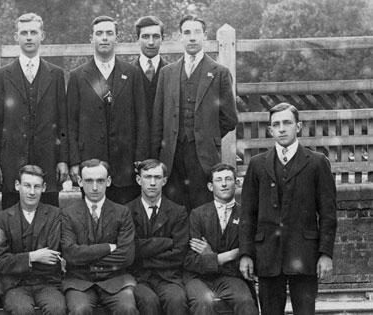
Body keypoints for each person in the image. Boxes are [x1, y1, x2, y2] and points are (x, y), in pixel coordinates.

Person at [239, 103, 337, 315]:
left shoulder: (317, 163)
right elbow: (248, 214)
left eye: (287, 123)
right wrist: (246, 253)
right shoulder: (257, 164)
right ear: (270, 130)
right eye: (276, 124)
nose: (281, 128)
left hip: (305, 253)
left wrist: (325, 254)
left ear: (298, 126)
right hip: (268, 255)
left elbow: (328, 214)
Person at [152, 14, 238, 211]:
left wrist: (206, 135)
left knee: (203, 207)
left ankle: (201, 243)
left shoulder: (219, 72)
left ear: (205, 36)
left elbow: (230, 118)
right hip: (172, 154)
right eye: (187, 32)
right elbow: (158, 117)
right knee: (174, 207)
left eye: (197, 32)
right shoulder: (167, 73)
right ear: (180, 37)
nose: (192, 37)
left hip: (203, 155)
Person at [0, 13, 69, 210]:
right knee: (11, 221)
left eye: (34, 32)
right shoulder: (2, 75)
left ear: (43, 35)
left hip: (48, 160)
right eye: (24, 33)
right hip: (12, 161)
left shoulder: (56, 74)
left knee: (49, 219)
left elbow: (63, 121)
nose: (29, 37)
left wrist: (63, 160)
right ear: (17, 37)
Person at [67, 16, 149, 205]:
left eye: (109, 33)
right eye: (99, 33)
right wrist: (74, 161)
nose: (104, 38)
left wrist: (141, 159)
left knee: (126, 219)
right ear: (91, 39)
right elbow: (71, 123)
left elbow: (142, 119)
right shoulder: (77, 76)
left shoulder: (133, 73)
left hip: (126, 165)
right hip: (90, 165)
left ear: (116, 39)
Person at [61, 159, 138, 315]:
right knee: (80, 309)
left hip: (116, 280)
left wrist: (86, 258)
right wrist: (109, 248)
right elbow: (69, 254)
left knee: (127, 308)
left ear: (108, 181)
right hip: (79, 281)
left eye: (100, 181)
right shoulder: (68, 214)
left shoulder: (122, 212)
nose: (95, 187)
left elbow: (126, 255)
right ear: (80, 182)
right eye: (89, 181)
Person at [184, 163, 258, 315]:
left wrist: (210, 256)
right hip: (198, 278)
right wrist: (228, 255)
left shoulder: (246, 215)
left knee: (245, 301)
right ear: (210, 186)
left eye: (228, 179)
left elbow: (249, 255)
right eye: (218, 180)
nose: (224, 184)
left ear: (236, 183)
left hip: (231, 277)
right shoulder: (197, 215)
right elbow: (190, 259)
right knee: (203, 302)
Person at [0, 165, 66, 315]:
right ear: (17, 186)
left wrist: (16, 260)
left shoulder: (55, 215)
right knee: (22, 310)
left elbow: (52, 259)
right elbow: (0, 262)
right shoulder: (2, 218)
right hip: (15, 285)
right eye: (27, 186)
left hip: (47, 283)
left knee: (56, 308)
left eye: (37, 186)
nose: (32, 192)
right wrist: (33, 257)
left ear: (44, 188)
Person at [126, 159, 189, 315]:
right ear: (138, 180)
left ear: (165, 181)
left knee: (177, 299)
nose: (152, 183)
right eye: (147, 177)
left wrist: (145, 255)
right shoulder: (126, 211)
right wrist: (166, 242)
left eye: (157, 177)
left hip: (168, 277)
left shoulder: (178, 212)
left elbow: (179, 253)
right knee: (148, 301)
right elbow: (129, 250)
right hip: (138, 277)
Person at [132, 16, 168, 119]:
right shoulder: (127, 73)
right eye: (145, 36)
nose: (151, 42)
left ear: (163, 39)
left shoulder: (172, 72)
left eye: (156, 36)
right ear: (137, 39)